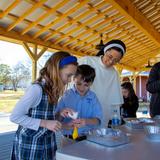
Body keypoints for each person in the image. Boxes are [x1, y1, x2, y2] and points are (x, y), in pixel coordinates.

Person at [10, 51, 78, 160]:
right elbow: (15, 116)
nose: (70, 80)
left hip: (47, 145)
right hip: (30, 147)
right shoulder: (36, 89)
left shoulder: (53, 91)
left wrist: (59, 114)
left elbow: (48, 119)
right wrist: (45, 123)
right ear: (56, 70)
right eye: (68, 75)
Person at [78, 39, 126, 126]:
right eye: (110, 56)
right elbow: (72, 82)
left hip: (101, 112)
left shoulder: (114, 73)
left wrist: (115, 118)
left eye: (116, 60)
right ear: (105, 51)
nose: (111, 62)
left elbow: (115, 100)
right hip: (82, 108)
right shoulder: (87, 61)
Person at [56, 64, 102, 145]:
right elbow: (56, 119)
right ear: (73, 79)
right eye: (79, 84)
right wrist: (61, 114)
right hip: (67, 139)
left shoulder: (93, 97)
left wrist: (86, 121)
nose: (81, 88)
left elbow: (98, 120)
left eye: (86, 85)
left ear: (91, 83)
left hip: (88, 139)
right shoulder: (66, 95)